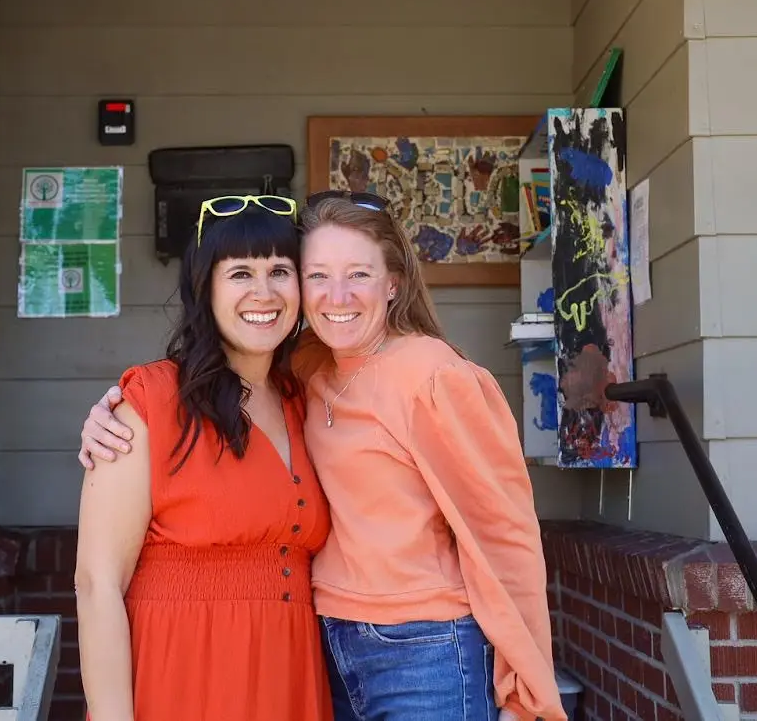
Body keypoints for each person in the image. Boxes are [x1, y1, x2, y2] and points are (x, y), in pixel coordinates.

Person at [79, 190, 566, 721]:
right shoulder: (305, 375)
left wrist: (526, 694)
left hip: (417, 650)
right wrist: (116, 411)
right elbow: (98, 577)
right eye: (316, 275)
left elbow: (506, 538)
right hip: (310, 651)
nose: (337, 295)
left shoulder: (428, 377)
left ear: (393, 283)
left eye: (358, 274)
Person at [73, 193, 334, 721]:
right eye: (239, 273)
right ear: (205, 288)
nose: (264, 292)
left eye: (280, 271)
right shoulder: (148, 402)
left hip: (290, 675)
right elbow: (97, 583)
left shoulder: (304, 397)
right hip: (183, 674)